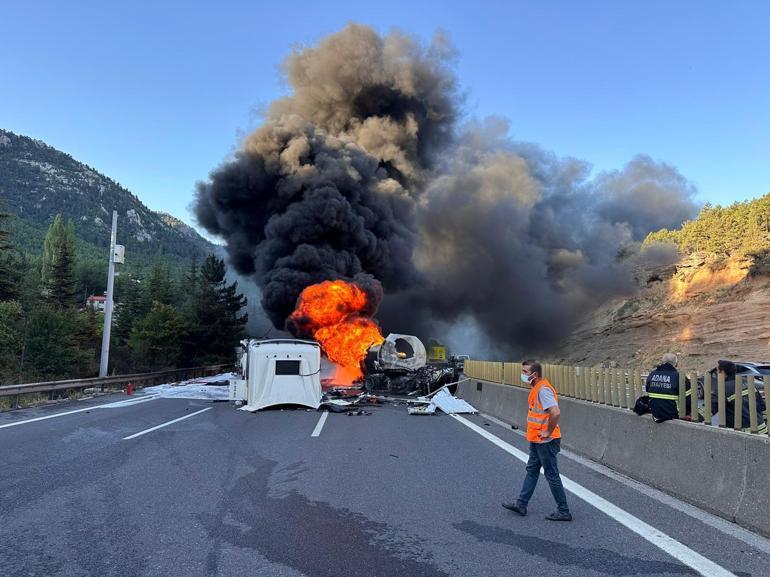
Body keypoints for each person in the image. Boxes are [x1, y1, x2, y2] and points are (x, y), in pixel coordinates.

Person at [502, 360, 572, 521]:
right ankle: (521, 504)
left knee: (551, 474)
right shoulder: (536, 388)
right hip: (536, 439)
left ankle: (564, 511)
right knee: (532, 470)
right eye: (523, 371)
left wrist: (548, 431)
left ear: (535, 374)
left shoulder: (543, 390)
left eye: (525, 372)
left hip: (546, 441)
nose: (523, 374)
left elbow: (555, 412)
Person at [710, 361, 768, 433]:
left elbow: (710, 408)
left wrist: (693, 418)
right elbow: (762, 406)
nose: (717, 374)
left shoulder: (723, 388)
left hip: (743, 433)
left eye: (718, 371)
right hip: (762, 429)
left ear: (724, 373)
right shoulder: (747, 382)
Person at [645, 353, 693, 423]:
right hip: (673, 415)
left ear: (662, 362)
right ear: (676, 364)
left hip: (655, 413)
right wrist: (686, 414)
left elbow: (648, 391)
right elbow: (688, 401)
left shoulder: (652, 374)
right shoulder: (680, 377)